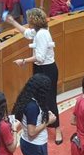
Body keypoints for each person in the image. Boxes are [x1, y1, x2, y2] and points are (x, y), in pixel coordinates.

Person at [6, 8, 63, 145]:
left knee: (49, 99)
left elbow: (40, 57)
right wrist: (13, 22)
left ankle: (57, 129)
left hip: (47, 69)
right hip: (39, 68)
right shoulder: (38, 31)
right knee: (38, 98)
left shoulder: (42, 34)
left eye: (29, 19)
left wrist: (24, 61)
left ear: (34, 20)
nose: (27, 21)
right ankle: (41, 121)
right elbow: (26, 33)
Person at [11, 74, 57, 155]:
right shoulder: (33, 106)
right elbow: (32, 132)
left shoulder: (28, 99)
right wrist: (48, 121)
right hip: (35, 146)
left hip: (28, 144)